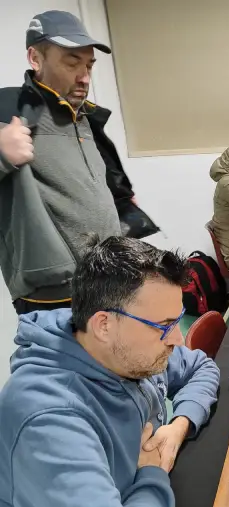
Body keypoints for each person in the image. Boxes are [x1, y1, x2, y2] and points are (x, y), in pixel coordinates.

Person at [0, 237, 220, 507]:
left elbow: (201, 368)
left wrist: (179, 425)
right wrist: (152, 475)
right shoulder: (47, 420)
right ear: (104, 324)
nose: (178, 340)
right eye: (165, 326)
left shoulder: (123, 352)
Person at [0, 10, 138, 315]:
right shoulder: (7, 108)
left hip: (108, 278)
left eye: (89, 65)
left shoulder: (85, 119)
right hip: (53, 295)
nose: (84, 76)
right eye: (72, 63)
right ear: (35, 58)